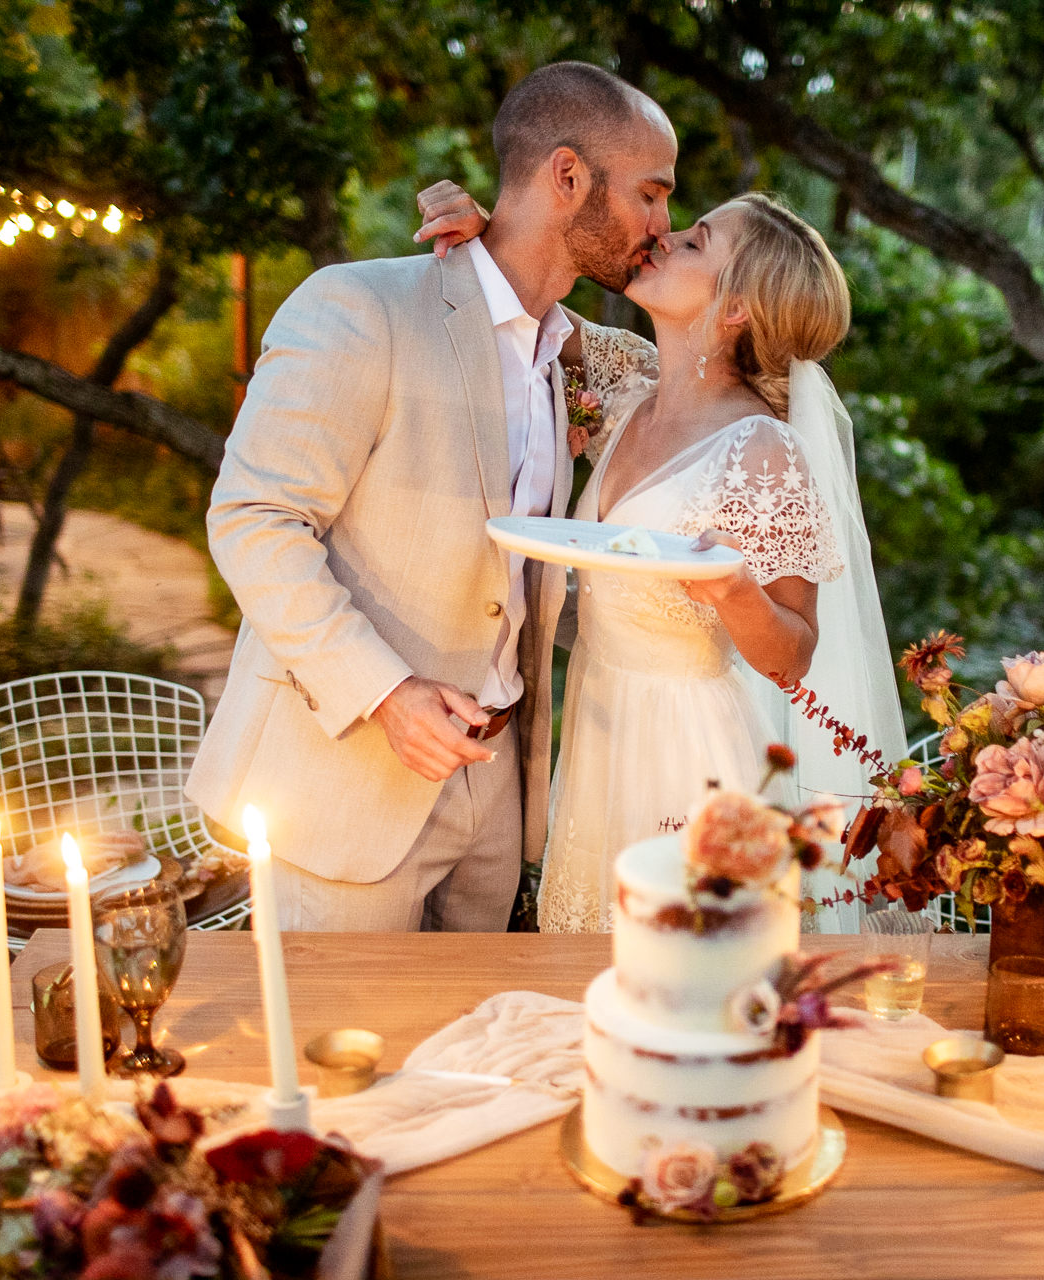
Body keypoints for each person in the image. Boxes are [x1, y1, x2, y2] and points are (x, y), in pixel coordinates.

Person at [185, 63, 678, 931]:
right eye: (651, 195)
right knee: (339, 1057)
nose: (662, 227)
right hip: (346, 782)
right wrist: (384, 693)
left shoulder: (568, 354)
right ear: (567, 177)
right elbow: (254, 520)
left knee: (469, 1057)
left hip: (495, 793)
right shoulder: (359, 308)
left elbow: (693, 376)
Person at [416, 188, 907, 932]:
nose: (667, 237)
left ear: (737, 308)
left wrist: (732, 587)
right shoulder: (629, 388)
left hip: (685, 752)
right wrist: (495, 236)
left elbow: (793, 655)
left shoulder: (762, 451)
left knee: (687, 984)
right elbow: (532, 313)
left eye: (698, 241)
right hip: (595, 732)